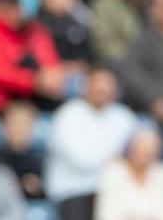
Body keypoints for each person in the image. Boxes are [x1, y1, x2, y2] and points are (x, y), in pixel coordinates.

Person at [46, 68, 137, 220]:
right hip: (75, 190)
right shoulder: (68, 115)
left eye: (107, 86)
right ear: (86, 86)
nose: (102, 90)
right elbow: (81, 160)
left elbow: (139, 150)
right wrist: (114, 161)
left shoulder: (124, 116)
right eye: (98, 86)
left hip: (117, 191)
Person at [96, 127, 163, 220]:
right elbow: (107, 214)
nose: (143, 159)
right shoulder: (114, 172)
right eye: (140, 152)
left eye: (148, 154)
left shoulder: (160, 173)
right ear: (130, 150)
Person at [120, 0, 163, 123]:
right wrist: (155, 99)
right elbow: (132, 75)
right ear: (154, 9)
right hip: (149, 114)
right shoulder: (141, 41)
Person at [0, 101, 46, 199]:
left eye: (25, 124)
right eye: (15, 123)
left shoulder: (39, 158)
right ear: (3, 127)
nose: (20, 128)